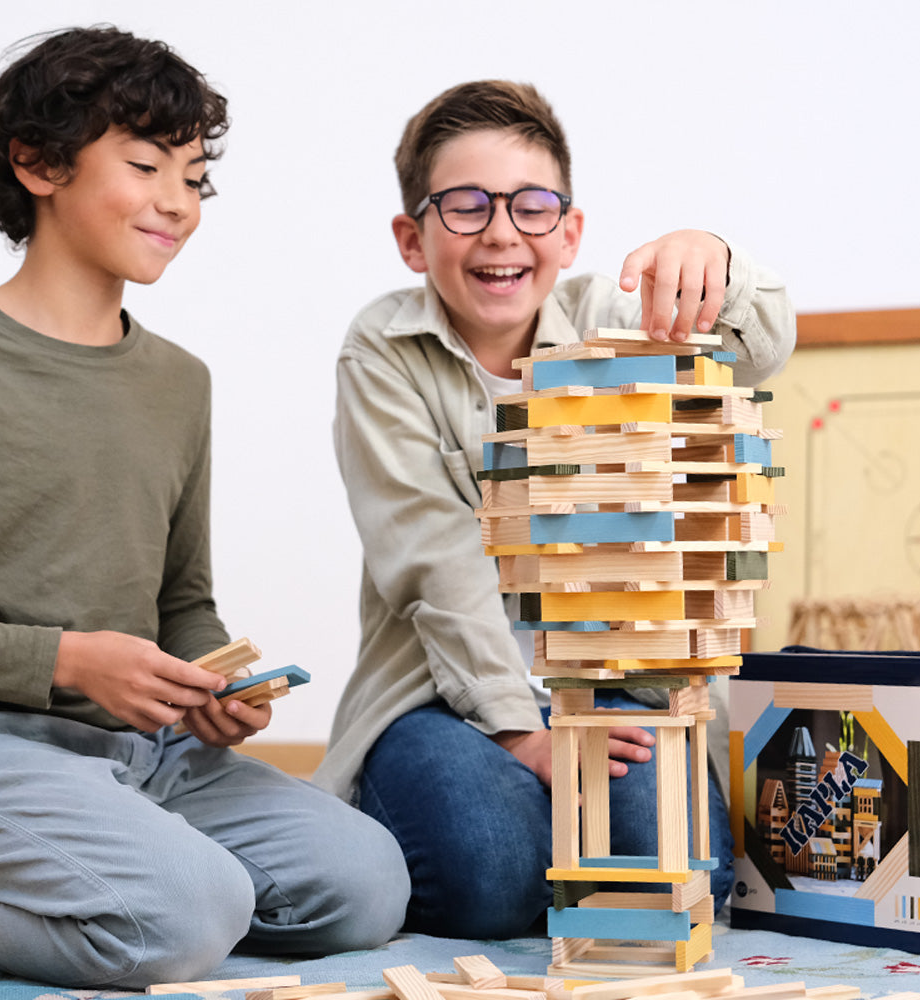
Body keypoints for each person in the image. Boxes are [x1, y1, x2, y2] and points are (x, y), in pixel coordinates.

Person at [0, 26, 408, 989]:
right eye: (145, 165)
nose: (178, 202)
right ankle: (152, 891)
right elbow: (69, 658)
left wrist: (214, 683)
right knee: (189, 913)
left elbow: (184, 599)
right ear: (38, 162)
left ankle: (133, 876)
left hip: (145, 753)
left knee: (367, 886)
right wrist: (67, 659)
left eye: (192, 177)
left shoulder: (179, 383)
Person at [320, 80, 795, 940]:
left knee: (677, 872)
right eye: (464, 207)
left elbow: (760, 353)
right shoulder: (381, 351)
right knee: (493, 877)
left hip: (616, 684)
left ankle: (545, 827)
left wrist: (717, 265)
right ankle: (424, 822)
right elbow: (435, 558)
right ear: (411, 237)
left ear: (569, 232)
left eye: (531, 207)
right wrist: (519, 735)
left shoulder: (614, 322)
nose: (502, 232)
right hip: (445, 695)